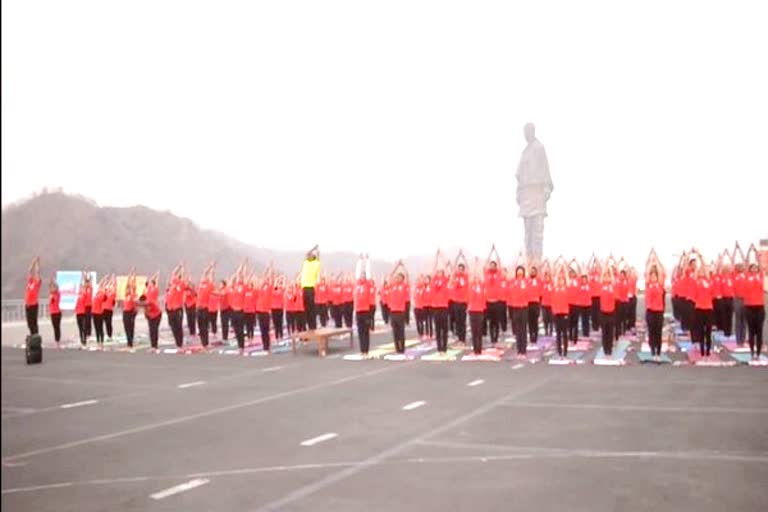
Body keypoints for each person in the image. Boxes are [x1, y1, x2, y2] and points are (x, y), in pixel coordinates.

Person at [515, 122, 554, 260]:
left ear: (533, 131)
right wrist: (518, 192)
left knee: (537, 233)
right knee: (528, 233)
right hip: (526, 195)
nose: (526, 134)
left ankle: (537, 263)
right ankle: (529, 261)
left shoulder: (539, 148)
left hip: (537, 193)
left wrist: (547, 189)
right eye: (524, 132)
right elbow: (519, 175)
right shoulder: (525, 152)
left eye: (528, 131)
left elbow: (545, 169)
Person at [743, 244, 765, 359]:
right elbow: (746, 262)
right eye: (753, 268)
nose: (755, 269)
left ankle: (758, 353)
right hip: (749, 307)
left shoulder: (760, 276)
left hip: (759, 307)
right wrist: (748, 252)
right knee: (751, 331)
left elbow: (761, 266)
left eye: (756, 268)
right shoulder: (747, 277)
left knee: (759, 331)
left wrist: (757, 254)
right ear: (750, 269)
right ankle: (752, 352)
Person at [691, 250, 714, 357]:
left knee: (708, 331)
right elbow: (696, 271)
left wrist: (700, 256)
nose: (701, 272)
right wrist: (696, 257)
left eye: (703, 271)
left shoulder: (708, 280)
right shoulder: (696, 281)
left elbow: (705, 267)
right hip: (699, 308)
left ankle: (708, 350)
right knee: (700, 330)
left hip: (708, 308)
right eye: (700, 271)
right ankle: (701, 350)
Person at [645, 249, 666, 361]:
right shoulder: (648, 285)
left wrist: (656, 258)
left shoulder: (660, 285)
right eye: (651, 276)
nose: (653, 277)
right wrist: (650, 257)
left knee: (658, 332)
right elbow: (647, 270)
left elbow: (661, 271)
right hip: (650, 312)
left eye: (655, 276)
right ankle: (653, 350)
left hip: (659, 312)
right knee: (651, 331)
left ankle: (658, 351)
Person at [388, 261, 410, 354]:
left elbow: (407, 276)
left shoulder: (404, 286)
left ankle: (402, 349)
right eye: (397, 277)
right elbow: (390, 275)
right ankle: (397, 349)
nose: (397, 278)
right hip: (393, 312)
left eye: (400, 277)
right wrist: (396, 265)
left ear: (402, 279)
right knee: (395, 332)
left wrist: (403, 267)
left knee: (401, 332)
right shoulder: (392, 286)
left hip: (401, 312)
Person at [431, 251, 451, 354]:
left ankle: (444, 347)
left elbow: (448, 271)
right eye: (438, 272)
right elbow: (433, 269)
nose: (439, 273)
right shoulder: (434, 280)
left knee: (444, 329)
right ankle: (439, 348)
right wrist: (436, 256)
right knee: (438, 330)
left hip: (444, 308)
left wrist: (442, 256)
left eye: (440, 272)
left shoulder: (445, 280)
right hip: (435, 308)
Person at [508, 260, 529, 356]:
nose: (520, 273)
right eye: (518, 271)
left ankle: (523, 350)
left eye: (521, 271)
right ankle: (518, 350)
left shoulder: (526, 282)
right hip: (515, 308)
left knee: (523, 329)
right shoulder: (513, 282)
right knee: (517, 330)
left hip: (524, 308)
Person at [484, 245, 504, 345]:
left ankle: (496, 337)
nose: (492, 266)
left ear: (495, 267)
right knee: (491, 322)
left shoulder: (498, 274)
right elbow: (485, 264)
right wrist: (489, 253)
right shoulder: (487, 274)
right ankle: (492, 338)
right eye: (491, 265)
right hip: (488, 302)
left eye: (493, 265)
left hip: (497, 302)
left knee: (496, 322)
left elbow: (499, 262)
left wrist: (495, 252)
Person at [354, 254, 374, 358]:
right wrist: (359, 260)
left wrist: (367, 260)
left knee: (366, 332)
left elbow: (369, 273)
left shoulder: (368, 284)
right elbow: (357, 272)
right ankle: (362, 351)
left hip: (366, 311)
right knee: (360, 332)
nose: (362, 276)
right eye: (361, 275)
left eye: (364, 275)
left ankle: (366, 351)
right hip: (358, 311)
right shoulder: (358, 283)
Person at [551, 260, 570, 358]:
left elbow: (567, 278)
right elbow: (555, 278)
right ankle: (559, 351)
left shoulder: (566, 288)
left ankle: (565, 351)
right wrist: (558, 270)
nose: (560, 281)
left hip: (564, 313)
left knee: (564, 334)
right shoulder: (555, 288)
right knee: (558, 334)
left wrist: (564, 268)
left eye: (562, 280)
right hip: (557, 313)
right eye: (559, 280)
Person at [468, 258, 486, 355]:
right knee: (474, 331)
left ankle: (479, 349)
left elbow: (482, 275)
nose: (476, 278)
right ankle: (475, 349)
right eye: (475, 277)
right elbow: (471, 275)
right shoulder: (471, 286)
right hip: (472, 310)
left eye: (477, 277)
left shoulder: (482, 286)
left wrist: (478, 265)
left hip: (480, 311)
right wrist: (475, 264)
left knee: (479, 331)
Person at [300, 245, 321, 330]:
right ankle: (310, 326)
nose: (309, 256)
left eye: (311, 256)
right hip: (304, 288)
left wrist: (316, 251)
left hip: (311, 288)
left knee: (311, 308)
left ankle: (313, 326)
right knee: (306, 309)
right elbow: (307, 253)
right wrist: (313, 248)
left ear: (313, 257)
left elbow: (318, 256)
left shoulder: (316, 264)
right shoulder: (306, 263)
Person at [599, 265, 617, 356]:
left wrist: (609, 269)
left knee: (610, 332)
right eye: (605, 276)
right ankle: (605, 349)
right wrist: (604, 267)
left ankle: (609, 349)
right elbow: (601, 277)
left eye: (608, 276)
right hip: (603, 313)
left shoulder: (612, 286)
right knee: (604, 332)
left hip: (611, 312)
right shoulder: (601, 286)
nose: (606, 278)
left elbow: (613, 279)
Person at [452, 253, 470, 345]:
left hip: (463, 302)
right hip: (456, 302)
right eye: (459, 269)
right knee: (457, 321)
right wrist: (457, 258)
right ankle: (459, 338)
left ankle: (463, 339)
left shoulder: (466, 277)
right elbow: (453, 268)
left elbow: (469, 269)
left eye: (462, 269)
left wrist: (464, 258)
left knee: (462, 321)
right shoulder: (455, 277)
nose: (460, 271)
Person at [166, 264, 186, 347]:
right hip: (171, 310)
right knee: (173, 326)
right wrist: (179, 266)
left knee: (179, 326)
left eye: (178, 277)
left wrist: (183, 269)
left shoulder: (181, 285)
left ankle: (180, 343)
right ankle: (177, 341)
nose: (175, 278)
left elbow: (183, 276)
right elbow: (173, 273)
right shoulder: (172, 285)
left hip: (178, 309)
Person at [733, 243, 748, 345]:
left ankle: (743, 340)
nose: (741, 267)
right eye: (739, 266)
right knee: (738, 321)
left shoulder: (746, 275)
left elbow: (745, 261)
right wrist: (735, 250)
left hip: (746, 300)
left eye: (741, 266)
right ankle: (739, 341)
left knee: (744, 321)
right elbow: (733, 260)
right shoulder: (734, 275)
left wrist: (741, 250)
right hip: (737, 300)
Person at [197, 262, 215, 347]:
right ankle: (202, 343)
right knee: (200, 327)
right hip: (198, 309)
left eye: (206, 277)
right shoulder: (201, 284)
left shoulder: (210, 285)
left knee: (204, 327)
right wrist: (209, 266)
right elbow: (204, 272)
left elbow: (211, 276)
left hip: (205, 309)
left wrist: (212, 268)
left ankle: (206, 343)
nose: (204, 277)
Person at [143, 273, 162, 353]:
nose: (150, 284)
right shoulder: (146, 290)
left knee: (155, 329)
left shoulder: (155, 290)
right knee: (151, 330)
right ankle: (152, 346)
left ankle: (155, 346)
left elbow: (156, 282)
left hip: (156, 313)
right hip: (150, 313)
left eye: (151, 283)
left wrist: (156, 276)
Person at [256, 267, 274, 352]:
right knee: (262, 330)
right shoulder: (261, 288)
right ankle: (264, 346)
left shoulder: (270, 288)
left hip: (266, 312)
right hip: (260, 311)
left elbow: (271, 278)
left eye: (267, 279)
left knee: (266, 330)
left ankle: (268, 346)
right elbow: (263, 277)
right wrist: (266, 270)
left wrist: (270, 270)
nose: (265, 280)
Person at [24, 256, 42, 336]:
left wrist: (37, 264)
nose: (34, 276)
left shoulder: (37, 283)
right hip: (27, 305)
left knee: (34, 322)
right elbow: (29, 271)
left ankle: (35, 335)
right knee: (29, 322)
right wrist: (33, 262)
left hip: (34, 305)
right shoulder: (30, 282)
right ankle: (32, 336)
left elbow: (37, 273)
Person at [526, 263, 542, 345]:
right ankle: (531, 336)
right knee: (529, 321)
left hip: (535, 303)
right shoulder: (527, 280)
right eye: (531, 271)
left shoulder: (539, 281)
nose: (532, 272)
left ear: (536, 273)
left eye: (534, 271)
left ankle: (535, 336)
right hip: (528, 304)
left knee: (535, 321)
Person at [122, 270, 137, 351]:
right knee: (126, 328)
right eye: (127, 289)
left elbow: (133, 285)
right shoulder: (126, 295)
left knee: (131, 328)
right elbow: (127, 285)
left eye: (129, 289)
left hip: (131, 312)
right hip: (125, 313)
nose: (127, 290)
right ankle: (128, 343)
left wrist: (133, 274)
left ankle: (131, 343)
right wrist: (128, 276)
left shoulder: (133, 294)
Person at [540, 261, 554, 337]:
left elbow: (552, 273)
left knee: (551, 319)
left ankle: (551, 330)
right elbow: (541, 273)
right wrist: (544, 265)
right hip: (544, 304)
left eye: (548, 277)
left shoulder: (552, 284)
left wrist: (548, 265)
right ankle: (546, 331)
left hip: (551, 305)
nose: (546, 278)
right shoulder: (542, 284)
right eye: (546, 277)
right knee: (545, 319)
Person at [92, 276, 107, 348]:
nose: (99, 288)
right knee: (96, 328)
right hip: (94, 313)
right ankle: (98, 342)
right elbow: (101, 285)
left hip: (100, 313)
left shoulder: (102, 295)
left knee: (100, 328)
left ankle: (102, 342)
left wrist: (104, 283)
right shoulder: (97, 294)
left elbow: (102, 287)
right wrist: (103, 279)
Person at [75, 272, 88, 347]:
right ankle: (81, 340)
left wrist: (83, 277)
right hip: (78, 313)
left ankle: (84, 339)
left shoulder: (84, 294)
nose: (81, 288)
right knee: (80, 328)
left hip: (83, 313)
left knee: (84, 327)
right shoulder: (78, 295)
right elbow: (80, 285)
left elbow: (84, 286)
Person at [271, 275, 286, 339]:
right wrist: (276, 280)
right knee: (275, 323)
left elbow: (284, 286)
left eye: (280, 283)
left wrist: (283, 278)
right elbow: (274, 285)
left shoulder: (281, 290)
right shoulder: (272, 290)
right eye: (278, 283)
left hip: (280, 308)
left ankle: (281, 335)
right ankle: (277, 336)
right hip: (273, 308)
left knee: (280, 322)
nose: (278, 285)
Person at [48, 276, 61, 345]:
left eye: (54, 287)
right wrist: (51, 282)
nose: (52, 289)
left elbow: (56, 286)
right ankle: (56, 339)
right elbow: (49, 285)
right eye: (51, 288)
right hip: (52, 312)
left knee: (57, 326)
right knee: (54, 326)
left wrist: (54, 282)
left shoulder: (57, 294)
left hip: (57, 312)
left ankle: (57, 340)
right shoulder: (50, 294)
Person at [103, 275, 116, 341]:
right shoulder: (105, 293)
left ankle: (110, 335)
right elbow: (103, 286)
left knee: (109, 323)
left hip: (109, 310)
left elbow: (114, 286)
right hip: (103, 310)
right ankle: (105, 335)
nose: (108, 289)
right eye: (107, 288)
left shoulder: (112, 294)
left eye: (109, 288)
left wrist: (112, 279)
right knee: (104, 323)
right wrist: (105, 279)